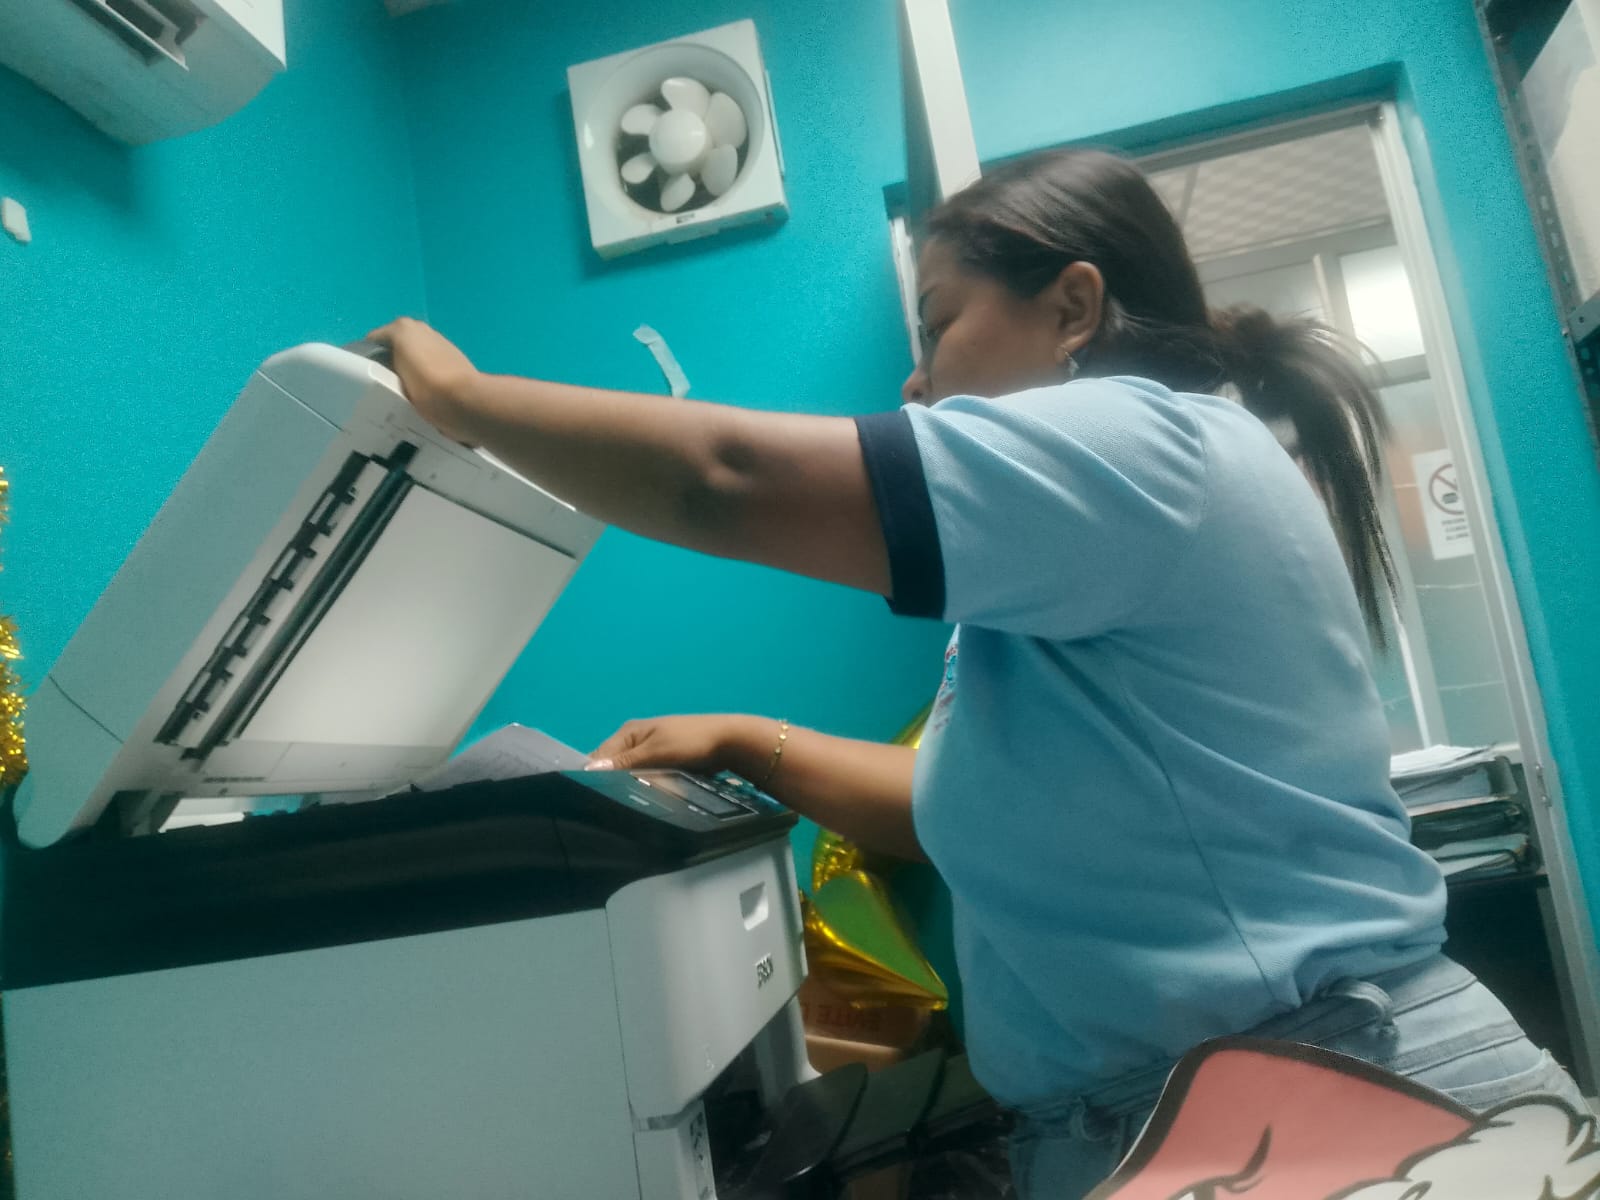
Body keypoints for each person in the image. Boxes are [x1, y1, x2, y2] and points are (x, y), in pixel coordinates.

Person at [372, 148, 1586, 1200]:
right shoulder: (1098, 544)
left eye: (938, 325)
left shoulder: (1146, 445)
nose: (914, 379)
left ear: (1072, 307)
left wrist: (462, 400)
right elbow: (968, 809)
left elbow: (722, 480)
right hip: (1226, 1105)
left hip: (1322, 1107)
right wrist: (748, 742)